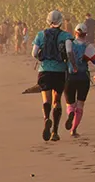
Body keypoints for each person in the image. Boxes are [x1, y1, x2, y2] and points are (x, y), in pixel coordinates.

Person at [32, 10, 74, 141]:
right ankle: (55, 132)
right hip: (60, 71)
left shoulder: (40, 35)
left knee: (46, 99)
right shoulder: (66, 36)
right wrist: (72, 65)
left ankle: (46, 118)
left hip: (44, 70)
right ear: (61, 22)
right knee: (57, 100)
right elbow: (69, 52)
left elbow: (34, 53)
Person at [64, 23, 95, 137]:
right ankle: (74, 129)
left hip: (70, 77)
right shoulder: (88, 47)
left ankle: (70, 113)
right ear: (85, 34)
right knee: (80, 104)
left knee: (70, 104)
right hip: (83, 78)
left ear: (75, 33)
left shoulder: (69, 43)